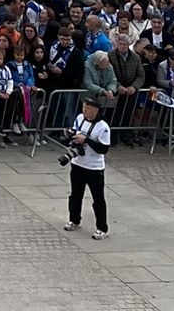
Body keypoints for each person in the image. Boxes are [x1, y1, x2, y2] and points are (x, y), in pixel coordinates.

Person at [64, 94, 111, 240]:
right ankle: (74, 219)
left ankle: (102, 228)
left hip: (94, 168)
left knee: (98, 198)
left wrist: (87, 140)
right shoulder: (79, 118)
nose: (86, 111)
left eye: (89, 109)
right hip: (78, 163)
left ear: (96, 110)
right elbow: (74, 134)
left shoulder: (103, 127)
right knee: (75, 194)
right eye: (84, 108)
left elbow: (103, 149)